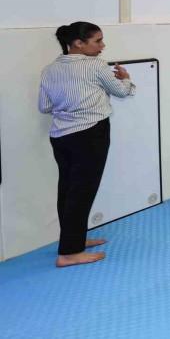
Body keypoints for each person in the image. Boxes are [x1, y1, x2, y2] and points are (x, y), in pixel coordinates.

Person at [38, 22, 136, 267]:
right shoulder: (96, 66)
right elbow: (122, 92)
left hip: (60, 135)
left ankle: (74, 240)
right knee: (82, 192)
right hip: (91, 134)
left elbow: (44, 107)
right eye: (98, 41)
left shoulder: (49, 69)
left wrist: (69, 107)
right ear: (79, 43)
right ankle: (69, 253)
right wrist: (126, 79)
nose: (103, 45)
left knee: (68, 189)